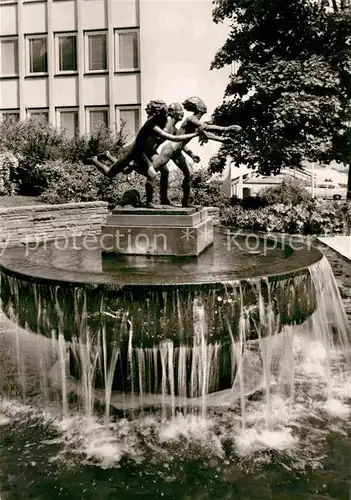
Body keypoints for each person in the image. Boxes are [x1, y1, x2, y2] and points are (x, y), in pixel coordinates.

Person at [86, 100, 200, 207]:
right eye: (178, 112)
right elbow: (172, 138)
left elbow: (180, 141)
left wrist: (191, 154)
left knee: (164, 170)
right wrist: (195, 134)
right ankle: (95, 160)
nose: (181, 114)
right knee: (114, 172)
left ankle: (164, 199)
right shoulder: (154, 125)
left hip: (149, 152)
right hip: (135, 152)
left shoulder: (170, 127)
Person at [150, 96, 241, 207]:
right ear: (198, 107)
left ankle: (185, 202)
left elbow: (206, 134)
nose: (204, 105)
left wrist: (222, 140)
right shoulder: (191, 119)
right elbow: (206, 127)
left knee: (189, 174)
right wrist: (227, 129)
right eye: (201, 102)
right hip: (170, 150)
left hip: (177, 152)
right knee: (152, 171)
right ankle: (153, 200)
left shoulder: (196, 122)